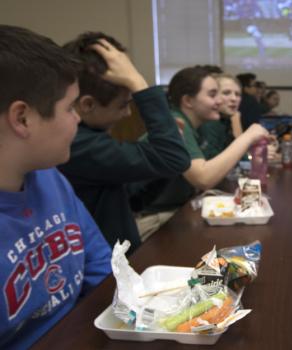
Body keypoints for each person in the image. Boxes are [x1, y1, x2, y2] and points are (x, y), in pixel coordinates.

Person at [0, 25, 111, 349]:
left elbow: (103, 274)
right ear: (22, 119)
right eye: (70, 107)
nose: (77, 119)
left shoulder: (48, 175)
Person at [59, 32, 190, 251]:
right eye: (122, 105)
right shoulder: (77, 144)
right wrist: (137, 81)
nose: (128, 113)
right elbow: (175, 159)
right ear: (87, 105)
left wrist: (163, 160)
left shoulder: (90, 135)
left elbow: (133, 199)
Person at [132, 67, 269, 216]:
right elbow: (203, 179)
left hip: (174, 210)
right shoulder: (176, 124)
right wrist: (247, 137)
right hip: (153, 216)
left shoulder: (193, 127)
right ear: (188, 101)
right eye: (212, 95)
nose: (221, 100)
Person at [199, 74, 243, 159]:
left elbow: (242, 158)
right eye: (226, 93)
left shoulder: (226, 120)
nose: (234, 99)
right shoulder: (209, 123)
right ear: (213, 95)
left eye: (237, 94)